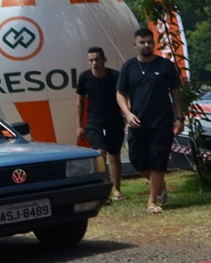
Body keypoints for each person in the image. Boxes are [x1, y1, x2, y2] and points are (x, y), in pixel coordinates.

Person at [116, 27, 184, 214]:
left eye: (149, 42)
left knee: (158, 161)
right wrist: (128, 114)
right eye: (142, 42)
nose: (146, 45)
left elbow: (176, 92)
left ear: (154, 43)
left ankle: (152, 201)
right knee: (137, 161)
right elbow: (120, 93)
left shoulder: (165, 65)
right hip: (138, 122)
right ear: (135, 44)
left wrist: (179, 118)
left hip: (162, 122)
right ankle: (159, 184)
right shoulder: (128, 67)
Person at [76, 46, 124, 201]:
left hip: (114, 119)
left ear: (104, 60)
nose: (94, 63)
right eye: (91, 60)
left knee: (114, 155)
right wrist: (79, 125)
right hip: (94, 120)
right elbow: (80, 101)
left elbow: (124, 96)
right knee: (100, 153)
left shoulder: (115, 76)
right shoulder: (84, 77)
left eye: (97, 59)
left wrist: (128, 115)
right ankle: (105, 188)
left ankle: (116, 189)